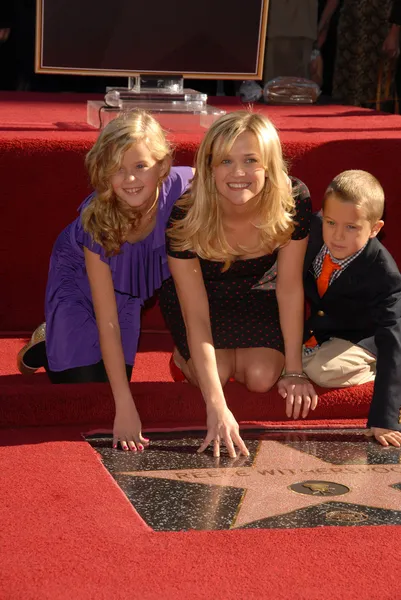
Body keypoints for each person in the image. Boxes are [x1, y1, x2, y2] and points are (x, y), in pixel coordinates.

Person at [17, 111, 194, 451]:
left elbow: (228, 183)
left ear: (162, 165)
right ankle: (50, 338)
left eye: (140, 166)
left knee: (108, 381)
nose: (129, 178)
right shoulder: (96, 221)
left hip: (126, 295)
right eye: (117, 168)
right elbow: (108, 321)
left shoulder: (184, 186)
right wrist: (125, 407)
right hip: (79, 281)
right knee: (80, 385)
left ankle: (55, 339)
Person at [159, 111, 318, 459]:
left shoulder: (294, 201)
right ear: (209, 166)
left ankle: (225, 360)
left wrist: (294, 370)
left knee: (262, 377)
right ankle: (186, 357)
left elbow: (290, 288)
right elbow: (196, 313)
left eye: (251, 160)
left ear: (269, 165)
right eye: (225, 161)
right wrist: (216, 406)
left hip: (258, 290)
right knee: (216, 374)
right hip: (202, 296)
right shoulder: (185, 215)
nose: (238, 173)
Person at [302, 170, 401, 448]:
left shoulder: (384, 273)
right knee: (280, 359)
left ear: (375, 229)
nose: (337, 235)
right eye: (331, 222)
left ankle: (376, 367)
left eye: (352, 227)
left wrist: (386, 416)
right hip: (321, 330)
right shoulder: (311, 233)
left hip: (363, 338)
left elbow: (392, 335)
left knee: (321, 370)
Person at [318, 0, 393, 107]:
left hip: (379, 27)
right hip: (350, 27)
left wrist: (395, 32)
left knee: (374, 88)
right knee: (345, 85)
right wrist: (324, 22)